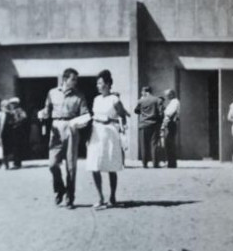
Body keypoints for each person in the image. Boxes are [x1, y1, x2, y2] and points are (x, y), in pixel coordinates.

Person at [41, 68, 91, 208]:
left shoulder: (79, 95)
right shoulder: (52, 93)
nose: (75, 82)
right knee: (52, 164)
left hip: (71, 128)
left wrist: (80, 123)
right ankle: (59, 188)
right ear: (65, 79)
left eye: (76, 80)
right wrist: (43, 114)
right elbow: (47, 110)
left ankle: (70, 197)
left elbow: (85, 114)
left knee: (71, 166)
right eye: (73, 79)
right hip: (55, 127)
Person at [86, 70, 128, 208]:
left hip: (110, 134)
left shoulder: (115, 99)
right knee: (94, 165)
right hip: (96, 133)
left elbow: (123, 116)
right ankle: (100, 197)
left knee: (111, 166)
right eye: (97, 83)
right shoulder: (96, 99)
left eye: (101, 83)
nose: (98, 86)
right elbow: (94, 117)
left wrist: (114, 122)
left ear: (108, 84)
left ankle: (112, 197)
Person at [135, 85, 163, 167]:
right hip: (154, 124)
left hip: (143, 124)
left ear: (144, 91)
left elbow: (136, 111)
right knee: (154, 144)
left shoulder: (140, 101)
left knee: (144, 144)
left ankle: (144, 163)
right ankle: (155, 163)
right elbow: (161, 113)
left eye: (142, 92)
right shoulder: (157, 100)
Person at [160, 89, 181, 169]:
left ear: (171, 94)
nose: (166, 97)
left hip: (171, 123)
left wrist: (163, 112)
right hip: (170, 123)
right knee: (169, 143)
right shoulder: (173, 102)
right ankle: (170, 162)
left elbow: (169, 113)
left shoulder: (175, 102)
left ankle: (171, 163)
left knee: (169, 143)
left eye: (167, 95)